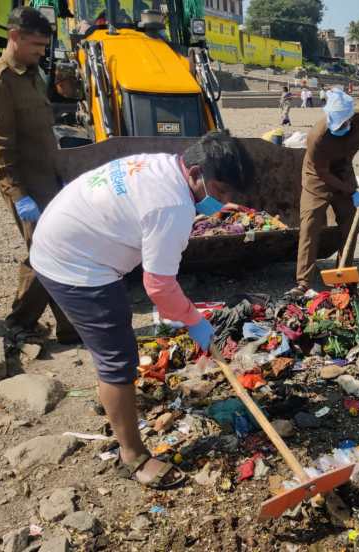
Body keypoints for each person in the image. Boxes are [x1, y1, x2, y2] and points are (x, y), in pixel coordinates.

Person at [30, 131, 252, 488]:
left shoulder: (165, 163)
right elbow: (159, 287)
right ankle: (132, 456)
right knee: (118, 361)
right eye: (220, 192)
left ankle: (119, 407)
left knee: (113, 349)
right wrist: (196, 321)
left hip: (65, 238)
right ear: (195, 172)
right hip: (74, 265)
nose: (223, 202)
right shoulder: (172, 206)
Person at [0, 7, 78, 344]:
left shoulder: (33, 73)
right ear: (14, 37)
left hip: (50, 178)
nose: (41, 52)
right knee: (49, 252)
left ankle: (47, 324)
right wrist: (19, 196)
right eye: (35, 44)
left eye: (44, 46)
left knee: (52, 249)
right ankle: (29, 324)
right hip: (26, 185)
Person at [288, 89, 359, 297]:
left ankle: (342, 275)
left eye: (343, 123)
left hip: (344, 171)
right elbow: (323, 172)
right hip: (317, 178)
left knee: (350, 224)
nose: (338, 127)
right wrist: (351, 190)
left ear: (350, 117)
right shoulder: (317, 136)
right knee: (309, 225)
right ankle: (303, 282)